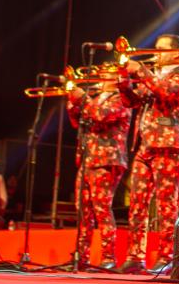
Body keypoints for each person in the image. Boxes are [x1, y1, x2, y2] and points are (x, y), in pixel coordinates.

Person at [118, 34, 179, 275]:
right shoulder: (151, 76)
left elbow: (168, 93)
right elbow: (131, 102)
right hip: (145, 146)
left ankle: (166, 256)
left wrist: (141, 71)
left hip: (169, 145)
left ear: (175, 53)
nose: (155, 52)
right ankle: (135, 257)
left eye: (161, 49)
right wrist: (123, 81)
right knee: (137, 204)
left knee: (166, 204)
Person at [66, 67, 131, 269]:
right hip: (87, 160)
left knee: (101, 209)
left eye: (107, 72)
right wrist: (72, 100)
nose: (102, 75)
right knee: (82, 212)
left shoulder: (122, 98)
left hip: (107, 159)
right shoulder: (96, 98)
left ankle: (108, 258)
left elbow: (102, 115)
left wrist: (82, 97)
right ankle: (81, 257)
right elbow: (77, 122)